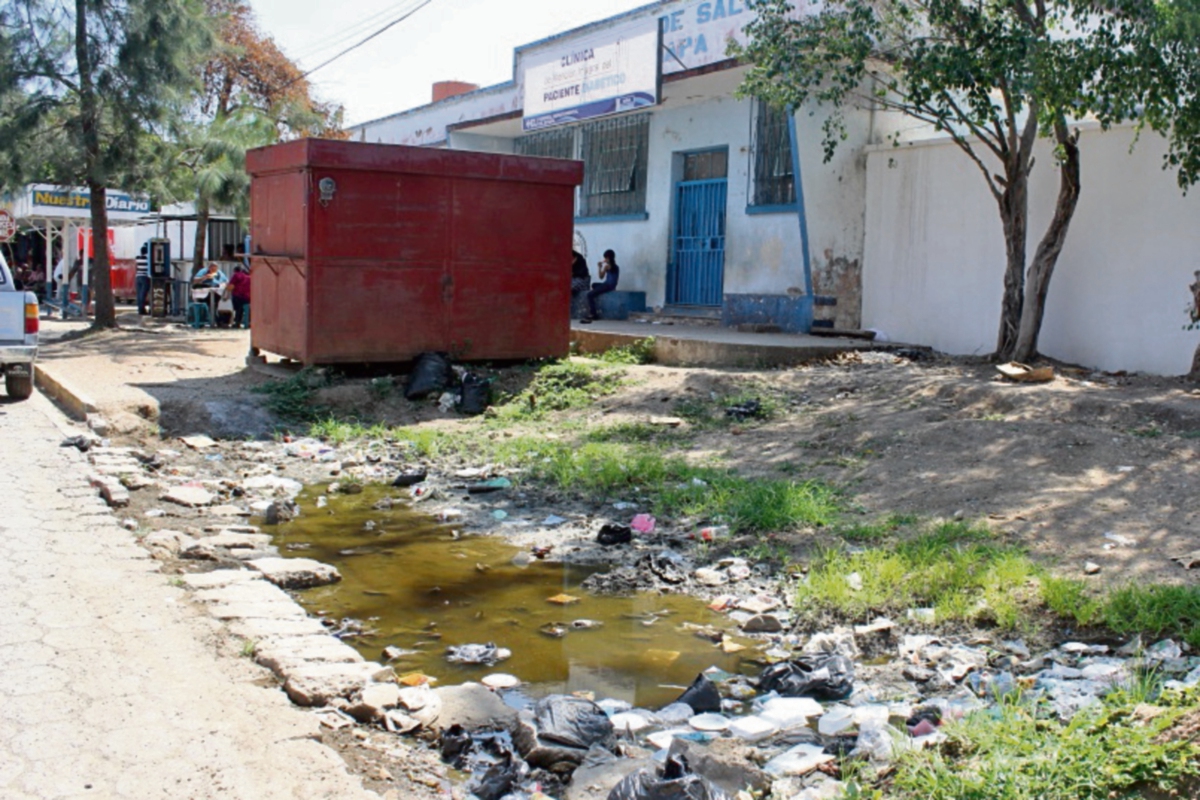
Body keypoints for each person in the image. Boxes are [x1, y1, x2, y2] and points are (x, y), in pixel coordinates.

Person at [584, 249, 620, 322]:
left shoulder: (610, 266)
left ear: (609, 258)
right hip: (608, 285)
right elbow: (601, 277)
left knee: (590, 295)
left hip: (608, 285)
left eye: (606, 258)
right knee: (594, 285)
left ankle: (593, 313)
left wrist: (601, 266)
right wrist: (600, 267)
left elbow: (601, 277)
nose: (605, 260)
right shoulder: (613, 267)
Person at [227, 264, 251, 328]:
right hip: (248, 297)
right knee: (246, 308)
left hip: (238, 296)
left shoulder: (236, 275)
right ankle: (248, 322)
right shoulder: (249, 276)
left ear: (235, 271)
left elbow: (230, 287)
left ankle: (237, 322)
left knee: (238, 309)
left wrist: (227, 287)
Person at [570, 249, 590, 319]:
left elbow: (582, 274)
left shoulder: (580, 261)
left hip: (582, 280)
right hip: (574, 280)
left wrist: (573, 274)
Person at [135, 242, 150, 315]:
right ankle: (142, 310)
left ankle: (140, 309)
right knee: (143, 294)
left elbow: (136, 268)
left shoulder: (137, 258)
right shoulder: (148, 260)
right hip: (145, 277)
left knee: (139, 294)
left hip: (138, 277)